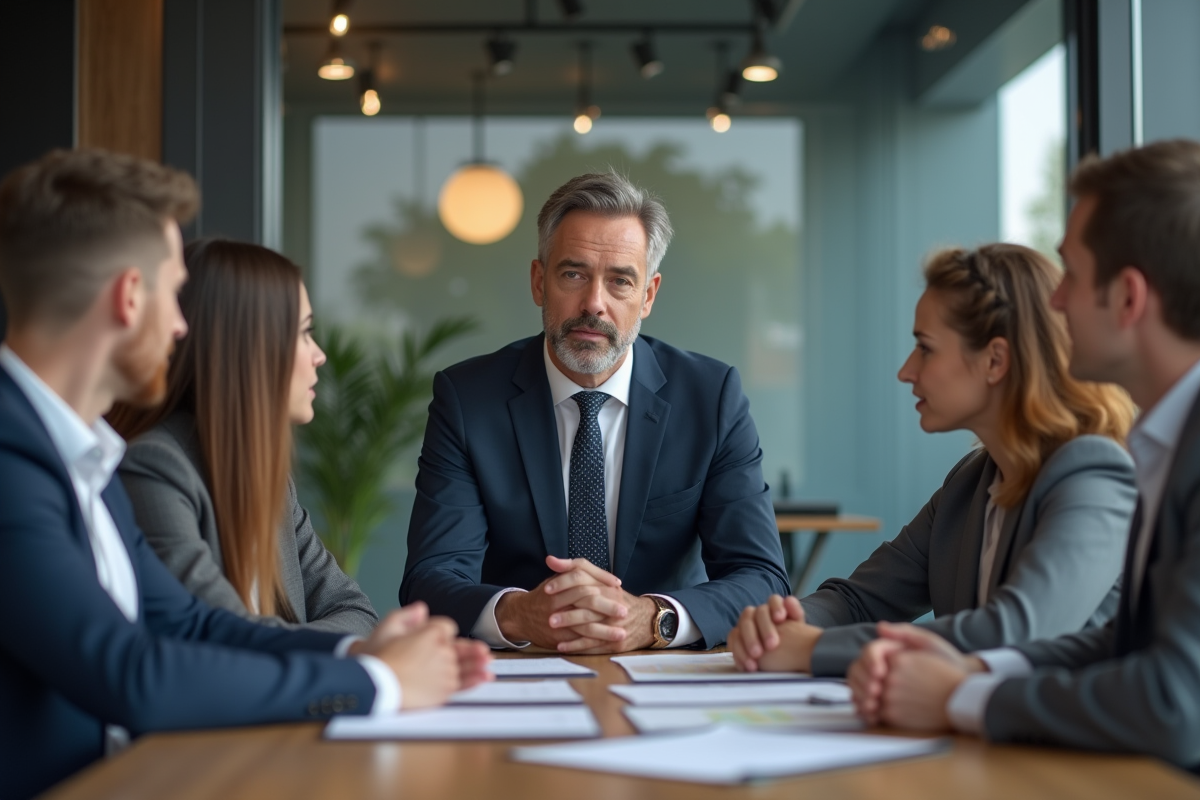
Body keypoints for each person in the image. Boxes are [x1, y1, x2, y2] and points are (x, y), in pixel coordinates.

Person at [0, 148, 491, 800]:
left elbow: (193, 625)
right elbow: (131, 675)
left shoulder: (86, 460)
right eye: (175, 295)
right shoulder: (14, 459)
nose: (182, 329)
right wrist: (380, 685)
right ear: (129, 297)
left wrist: (361, 656)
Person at [847, 139, 1200, 769]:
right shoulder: (1165, 448)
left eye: (1074, 275)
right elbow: (1119, 646)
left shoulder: (1117, 464)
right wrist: (967, 674)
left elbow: (1173, 701)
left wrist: (966, 696)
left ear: (1128, 298)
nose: (1056, 303)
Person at [400, 172, 790, 653]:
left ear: (648, 295)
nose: (594, 304)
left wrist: (652, 618)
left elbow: (761, 577)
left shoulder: (710, 398)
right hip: (519, 675)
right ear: (539, 281)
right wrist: (520, 614)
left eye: (620, 281)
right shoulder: (468, 399)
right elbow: (429, 579)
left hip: (664, 677)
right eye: (574, 274)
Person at [729, 243, 1137, 677]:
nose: (907, 371)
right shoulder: (970, 483)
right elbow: (860, 600)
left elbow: (1015, 633)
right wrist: (782, 626)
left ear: (995, 360)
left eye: (925, 348)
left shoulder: (1093, 477)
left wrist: (815, 650)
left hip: (1063, 743)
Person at [108, 239, 377, 635]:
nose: (319, 355)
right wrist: (334, 648)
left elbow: (357, 613)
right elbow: (228, 639)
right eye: (303, 333)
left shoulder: (272, 483)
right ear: (247, 348)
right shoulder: (153, 468)